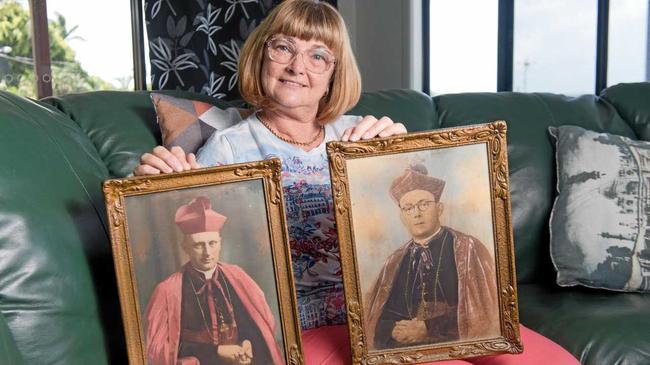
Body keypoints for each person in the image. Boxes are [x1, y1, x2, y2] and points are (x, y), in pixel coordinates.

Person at [134, 0, 407, 330]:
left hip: (382, 312)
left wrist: (404, 157)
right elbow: (190, 243)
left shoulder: (362, 132)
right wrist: (155, 194)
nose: (297, 66)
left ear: (334, 74)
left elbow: (410, 228)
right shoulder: (229, 146)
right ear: (261, 55)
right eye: (283, 47)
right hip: (297, 327)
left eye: (318, 55)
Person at [365, 164, 499, 350]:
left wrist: (429, 328)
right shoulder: (394, 261)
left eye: (424, 204)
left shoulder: (468, 249)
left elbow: (484, 313)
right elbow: (378, 319)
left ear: (439, 208)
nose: (417, 213)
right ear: (403, 216)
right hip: (402, 350)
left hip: (454, 348)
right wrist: (395, 331)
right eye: (408, 208)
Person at [145, 196, 283, 365]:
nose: (207, 252)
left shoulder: (238, 277)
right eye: (198, 245)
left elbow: (257, 327)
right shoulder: (167, 291)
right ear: (185, 247)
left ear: (220, 243)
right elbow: (160, 349)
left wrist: (247, 344)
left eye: (212, 243)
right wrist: (216, 352)